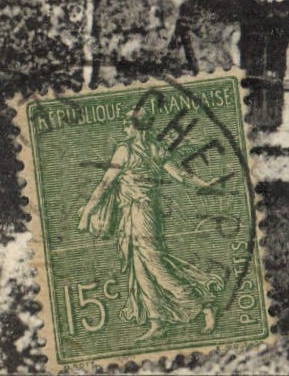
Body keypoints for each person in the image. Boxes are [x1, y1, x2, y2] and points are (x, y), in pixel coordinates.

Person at [77, 112, 224, 337]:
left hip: (142, 212)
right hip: (133, 212)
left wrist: (87, 214)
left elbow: (106, 184)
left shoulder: (126, 150)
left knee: (154, 262)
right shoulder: (155, 149)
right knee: (139, 266)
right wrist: (204, 184)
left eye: (128, 124)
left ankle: (204, 304)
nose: (124, 128)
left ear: (139, 127)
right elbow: (181, 175)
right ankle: (156, 322)